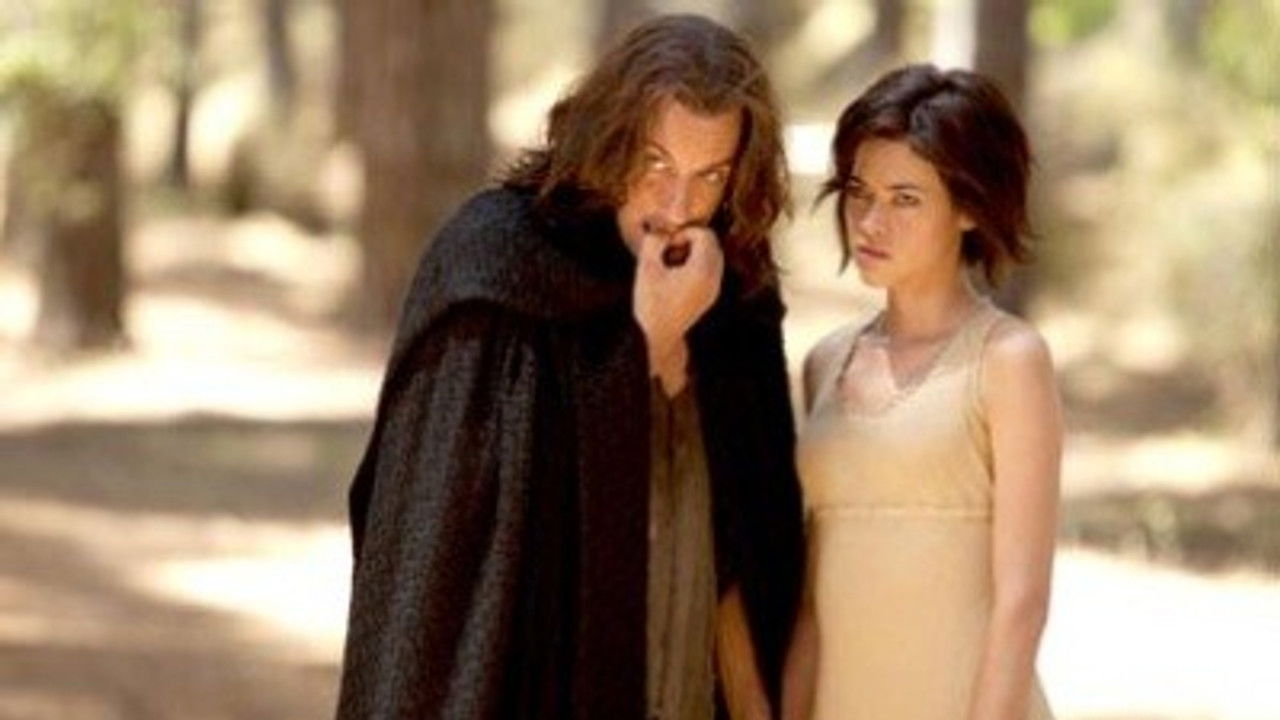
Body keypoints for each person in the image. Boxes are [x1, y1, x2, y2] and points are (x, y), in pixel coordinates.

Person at [335, 14, 805, 720]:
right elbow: (447, 557)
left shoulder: (733, 298)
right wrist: (648, 343)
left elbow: (746, 548)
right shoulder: (498, 260)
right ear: (609, 139)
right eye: (656, 164)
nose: (678, 206)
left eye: (709, 176)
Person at [782, 64, 1062, 720]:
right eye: (859, 193)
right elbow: (813, 607)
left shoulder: (1008, 361)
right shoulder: (826, 363)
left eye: (905, 199)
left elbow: (1022, 605)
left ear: (968, 208)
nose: (870, 222)